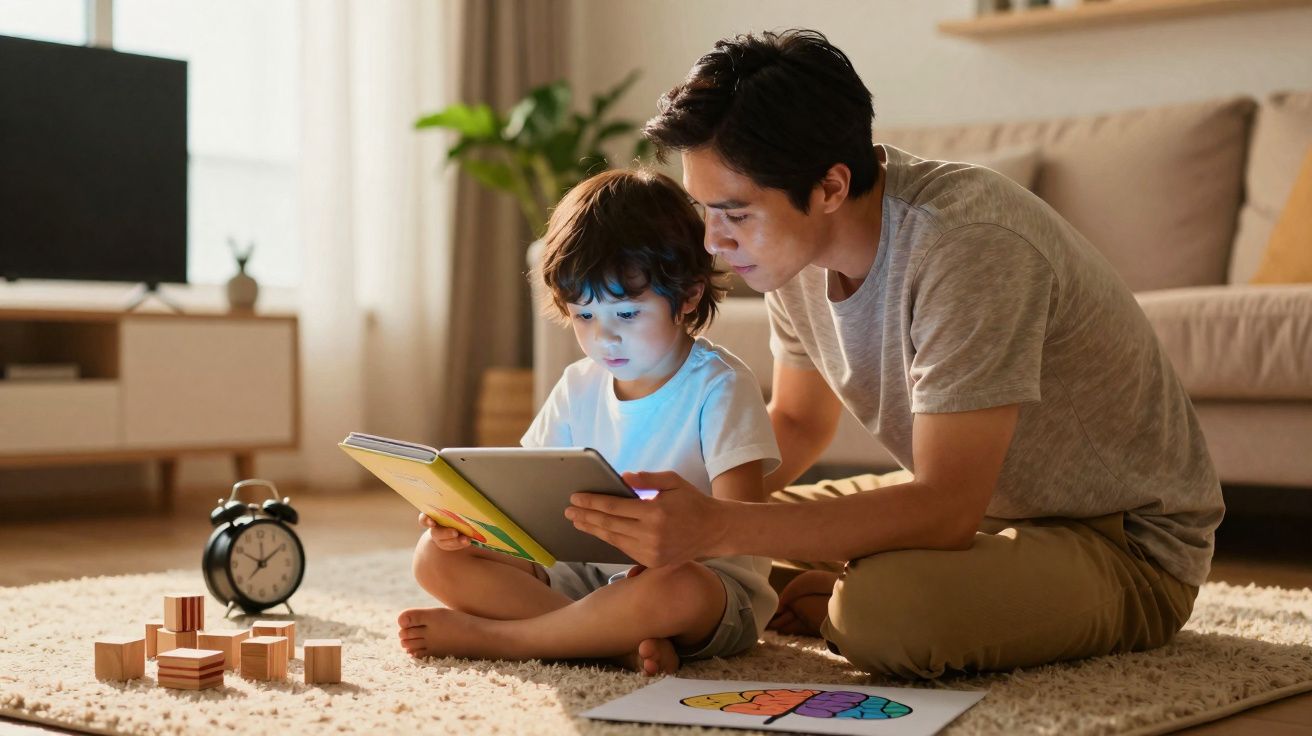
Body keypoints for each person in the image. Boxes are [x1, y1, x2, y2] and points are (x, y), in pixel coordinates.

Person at [564, 29, 1226, 679]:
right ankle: (846, 578)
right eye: (705, 210)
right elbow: (796, 422)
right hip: (972, 509)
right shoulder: (788, 257)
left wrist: (714, 530)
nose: (712, 243)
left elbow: (945, 507)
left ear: (829, 188)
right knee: (692, 554)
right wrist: (664, 520)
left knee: (885, 615)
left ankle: (859, 589)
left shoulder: (966, 246)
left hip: (1118, 543)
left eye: (734, 213)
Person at [397, 168, 781, 676]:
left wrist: (673, 540)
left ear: (688, 296)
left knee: (673, 588)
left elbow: (742, 527)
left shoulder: (720, 386)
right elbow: (527, 506)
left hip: (697, 588)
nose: (604, 338)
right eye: (584, 315)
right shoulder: (578, 385)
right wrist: (469, 528)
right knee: (433, 557)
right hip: (585, 577)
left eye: (626, 314)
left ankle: (506, 639)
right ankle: (606, 645)